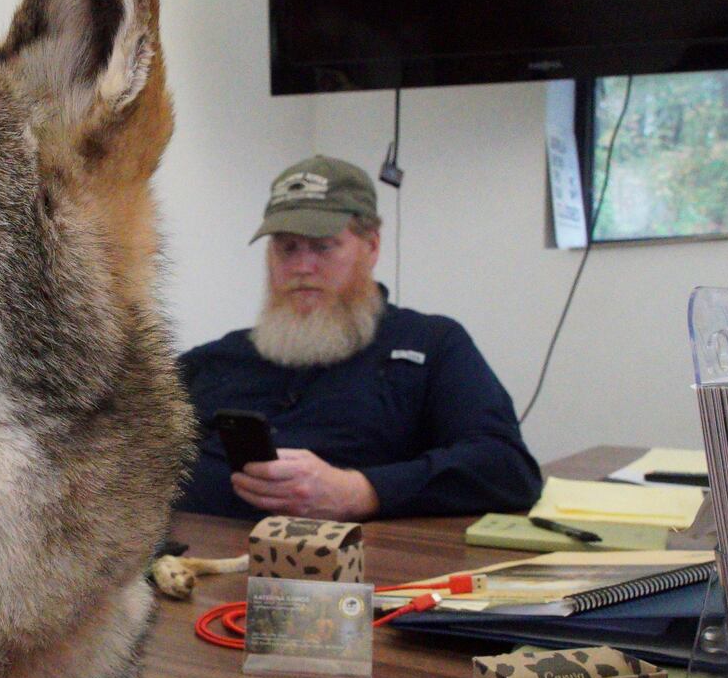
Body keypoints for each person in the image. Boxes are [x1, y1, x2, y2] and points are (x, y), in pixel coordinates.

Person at [177, 155, 542, 521]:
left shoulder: (431, 347)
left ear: (372, 246)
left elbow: (508, 468)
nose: (303, 267)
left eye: (323, 246)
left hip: (368, 569)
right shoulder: (213, 362)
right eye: (287, 248)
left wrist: (363, 491)